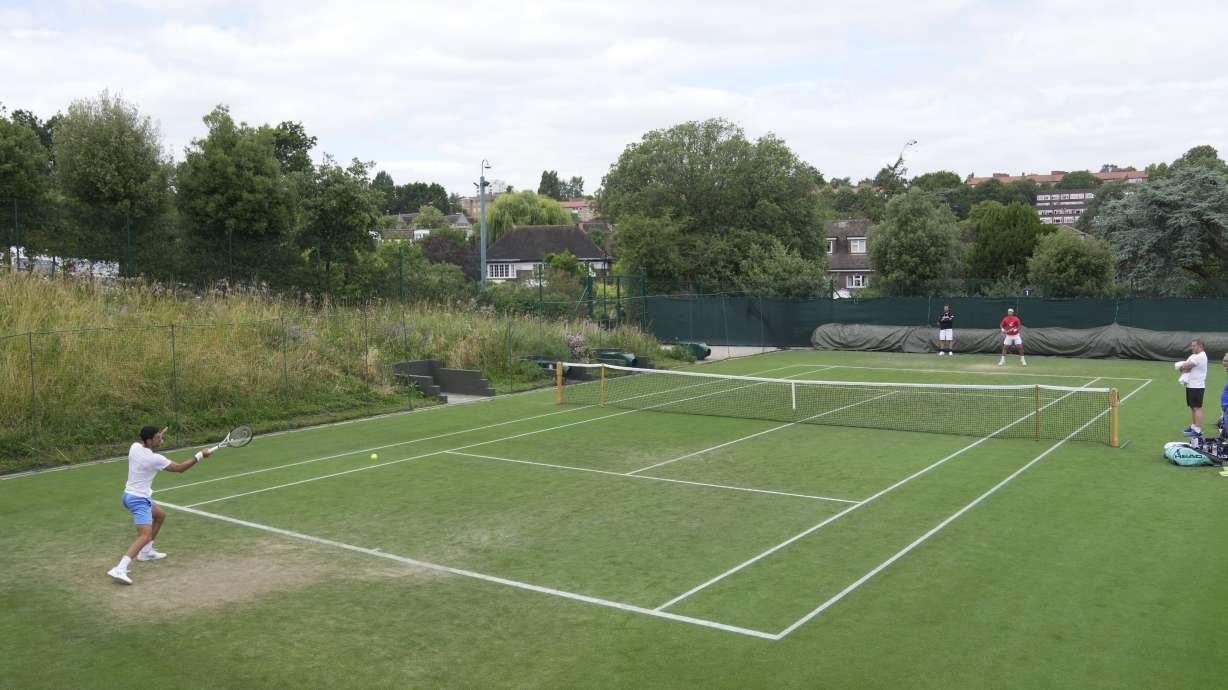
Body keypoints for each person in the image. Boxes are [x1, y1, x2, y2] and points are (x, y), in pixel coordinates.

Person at [108, 426, 212, 585]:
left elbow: (147, 443)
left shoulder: (134, 447)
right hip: (138, 499)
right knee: (144, 535)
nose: (161, 439)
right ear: (149, 440)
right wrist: (199, 455)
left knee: (160, 515)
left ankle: (146, 552)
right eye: (158, 437)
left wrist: (156, 436)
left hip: (128, 495)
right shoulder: (155, 459)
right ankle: (120, 568)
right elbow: (179, 469)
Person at [1176, 339, 1208, 438]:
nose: (1192, 347)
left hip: (1197, 386)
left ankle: (1197, 431)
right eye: (1192, 346)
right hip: (1191, 385)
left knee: (1197, 408)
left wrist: (1181, 366)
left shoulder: (1200, 356)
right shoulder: (1195, 356)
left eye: (1194, 346)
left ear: (1200, 346)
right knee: (1193, 407)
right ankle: (1194, 427)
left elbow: (1186, 366)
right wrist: (1183, 367)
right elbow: (1185, 367)